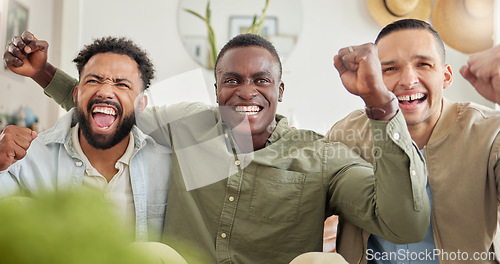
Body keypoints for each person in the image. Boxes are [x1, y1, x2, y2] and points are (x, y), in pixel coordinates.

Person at [4, 32, 429, 264]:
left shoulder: (317, 155)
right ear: (217, 89)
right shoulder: (187, 127)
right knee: (148, 253)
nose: (247, 92)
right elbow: (114, 109)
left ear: (280, 90)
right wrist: (43, 73)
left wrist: (379, 103)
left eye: (261, 80)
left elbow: (405, 226)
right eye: (232, 80)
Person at [327, 19, 500, 263]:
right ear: (373, 78)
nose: (408, 80)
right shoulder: (346, 134)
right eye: (390, 69)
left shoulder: (490, 133)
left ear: (446, 76)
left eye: (423, 64)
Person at [0, 36, 171, 242]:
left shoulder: (166, 165)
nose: (106, 91)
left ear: (141, 104)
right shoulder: (28, 158)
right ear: (76, 94)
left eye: (122, 84)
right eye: (93, 80)